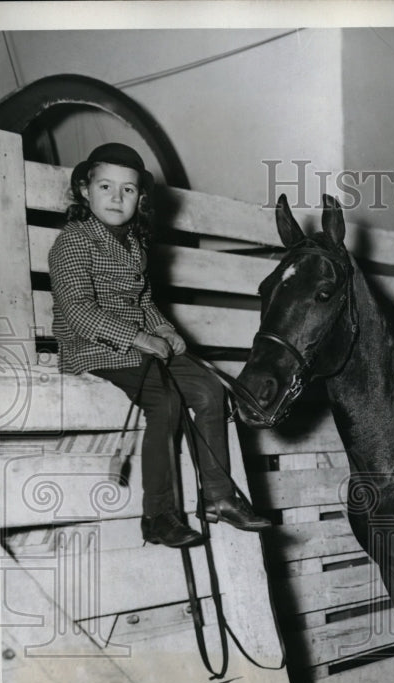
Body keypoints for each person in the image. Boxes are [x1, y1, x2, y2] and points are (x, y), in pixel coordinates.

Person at [48, 143, 271, 547]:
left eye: (128, 190)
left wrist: (166, 331)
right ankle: (158, 515)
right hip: (93, 349)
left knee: (208, 390)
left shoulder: (134, 243)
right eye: (105, 186)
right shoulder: (73, 242)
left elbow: (144, 301)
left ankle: (219, 496)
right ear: (84, 190)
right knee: (165, 401)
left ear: (140, 197)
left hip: (142, 346)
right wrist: (139, 337)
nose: (117, 197)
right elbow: (78, 311)